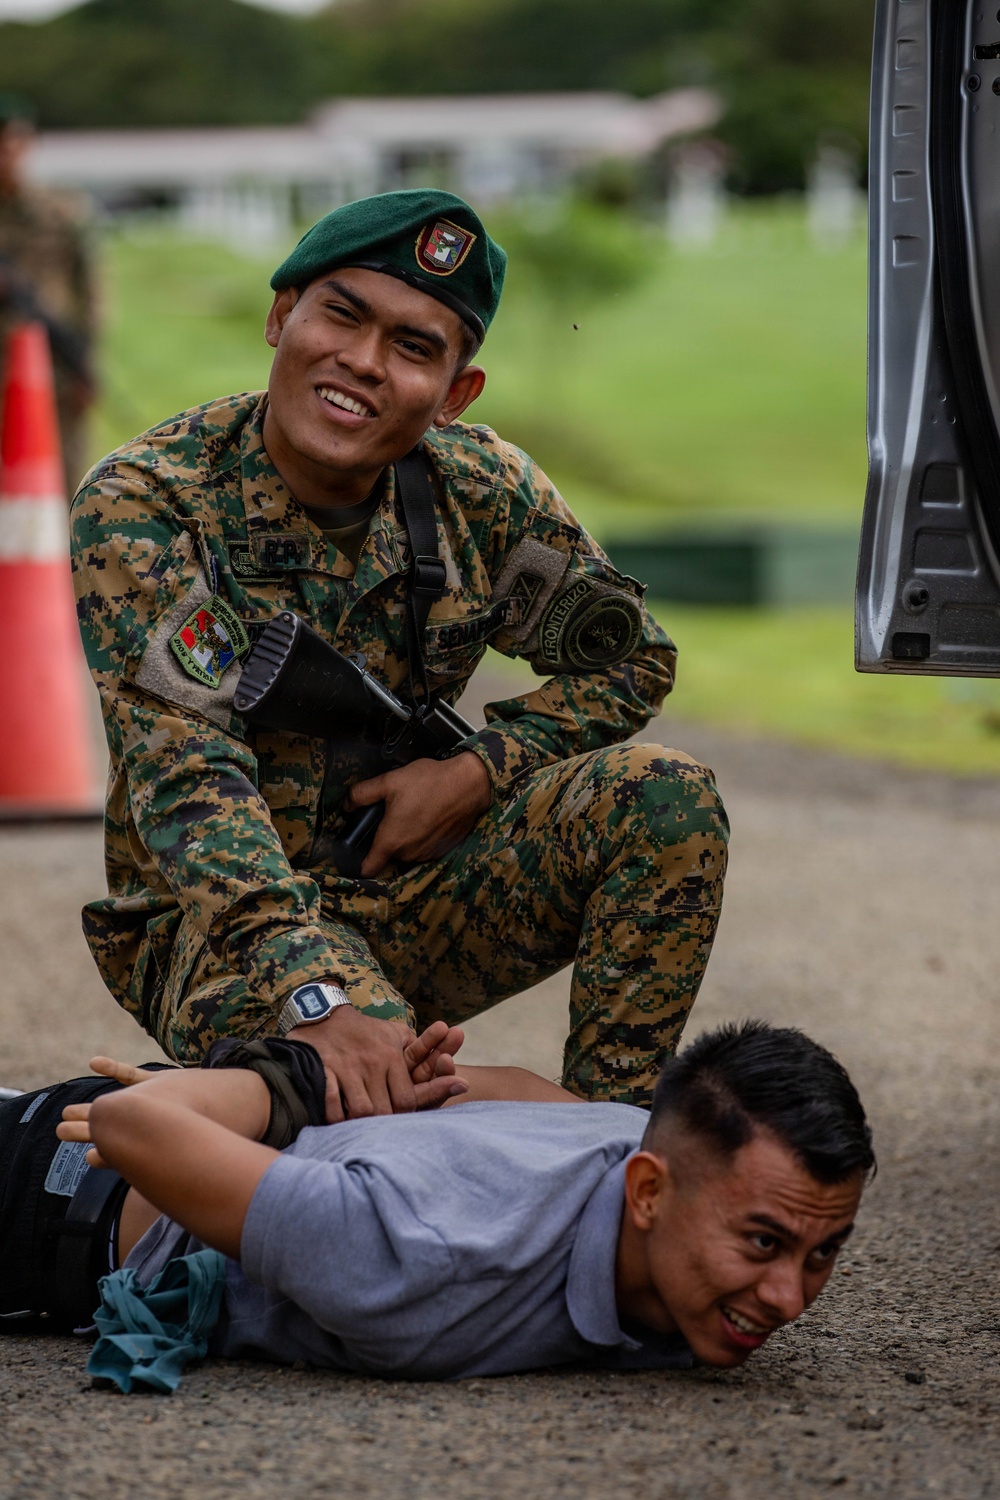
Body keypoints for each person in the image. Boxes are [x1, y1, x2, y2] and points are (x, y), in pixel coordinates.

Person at [70, 188, 729, 1120]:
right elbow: (190, 778)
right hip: (215, 927)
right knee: (383, 1089)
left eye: (414, 347)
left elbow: (629, 662)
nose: (363, 363)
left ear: (456, 393)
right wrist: (322, 997)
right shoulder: (149, 504)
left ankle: (613, 1153)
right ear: (280, 314)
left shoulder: (479, 491)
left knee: (665, 797)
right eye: (342, 313)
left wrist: (473, 773)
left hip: (411, 889)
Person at [0, 1021, 873, 1387]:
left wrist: (396, 1093)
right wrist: (307, 1076)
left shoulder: (643, 1141)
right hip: (53, 1195)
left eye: (821, 1253)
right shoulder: (418, 1254)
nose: (789, 1299)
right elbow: (131, 1120)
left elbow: (510, 1087)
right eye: (762, 1244)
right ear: (646, 1193)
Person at [0, 93, 96, 493]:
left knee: (60, 477)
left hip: (53, 362)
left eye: (15, 139)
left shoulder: (63, 211)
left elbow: (89, 292)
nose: (7, 151)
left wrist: (85, 361)